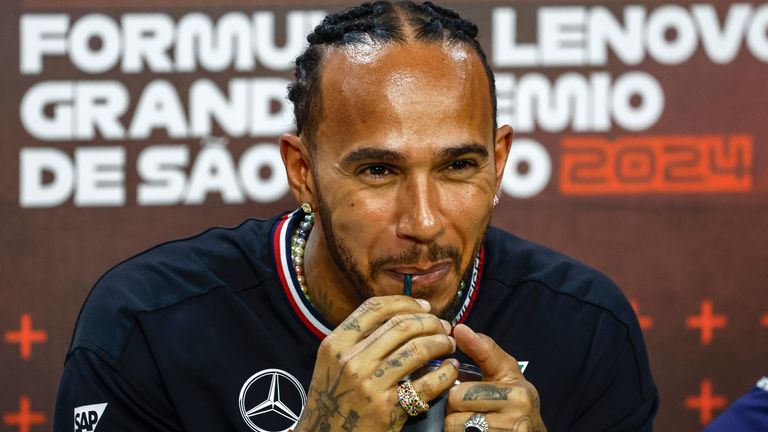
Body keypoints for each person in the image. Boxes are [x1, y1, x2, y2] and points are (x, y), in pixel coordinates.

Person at [54, 1, 658, 431]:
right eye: (378, 171)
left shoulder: (585, 326)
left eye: (458, 166)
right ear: (303, 173)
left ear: (498, 163)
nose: (423, 221)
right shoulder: (148, 324)